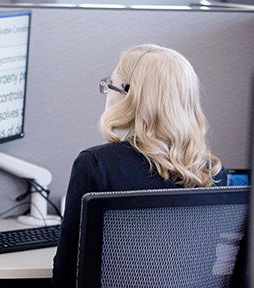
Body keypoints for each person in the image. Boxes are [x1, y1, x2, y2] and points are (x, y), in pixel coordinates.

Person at [51, 44, 228, 288]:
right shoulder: (212, 171)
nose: (107, 93)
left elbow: (69, 270)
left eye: (110, 86)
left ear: (129, 96)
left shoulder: (97, 165)